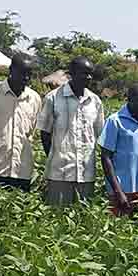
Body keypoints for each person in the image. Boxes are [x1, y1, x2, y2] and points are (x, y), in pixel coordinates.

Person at [38, 57, 105, 205]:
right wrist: (57, 157)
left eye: (90, 73)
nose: (88, 77)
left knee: (83, 215)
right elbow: (45, 133)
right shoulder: (53, 98)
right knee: (57, 214)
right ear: (71, 74)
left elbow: (100, 135)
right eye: (84, 73)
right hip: (59, 174)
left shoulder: (95, 101)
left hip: (86, 174)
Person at [0, 53, 42, 191]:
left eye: (29, 74)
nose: (26, 78)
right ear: (11, 70)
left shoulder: (34, 98)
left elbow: (31, 131)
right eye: (22, 73)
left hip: (21, 170)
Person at [99, 84, 138, 217]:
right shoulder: (115, 121)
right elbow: (105, 157)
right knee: (119, 226)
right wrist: (118, 192)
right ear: (129, 99)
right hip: (122, 190)